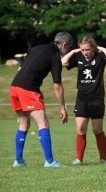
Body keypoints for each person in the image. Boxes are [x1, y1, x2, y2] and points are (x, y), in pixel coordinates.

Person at [10, 31, 73, 167]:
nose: (68, 50)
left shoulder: (36, 48)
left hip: (14, 87)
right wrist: (63, 108)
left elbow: (22, 68)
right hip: (28, 89)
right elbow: (57, 85)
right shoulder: (55, 56)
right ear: (64, 44)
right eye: (69, 47)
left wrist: (36, 90)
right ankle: (49, 161)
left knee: (23, 124)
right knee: (43, 124)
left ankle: (19, 161)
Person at [61, 36, 106, 165]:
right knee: (80, 129)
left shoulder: (99, 58)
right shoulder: (78, 58)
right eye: (82, 49)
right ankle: (79, 159)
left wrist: (98, 48)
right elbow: (62, 63)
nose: (85, 52)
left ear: (93, 48)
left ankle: (103, 159)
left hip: (96, 99)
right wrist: (73, 51)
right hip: (81, 100)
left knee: (97, 130)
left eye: (87, 49)